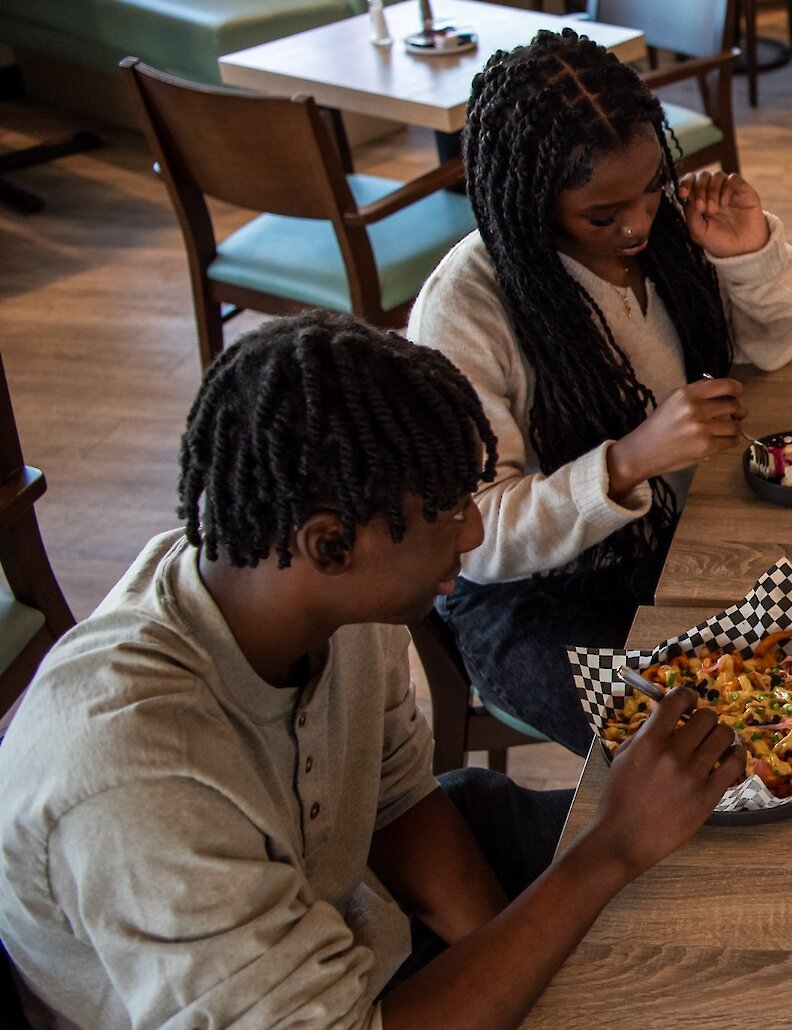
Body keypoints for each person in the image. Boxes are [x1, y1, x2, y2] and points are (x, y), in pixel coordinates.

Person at [0, 312, 744, 1029]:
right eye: (451, 511)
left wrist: (530, 968)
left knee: (716, 847)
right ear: (330, 546)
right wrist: (607, 852)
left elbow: (394, 799)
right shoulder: (140, 782)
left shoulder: (318, 597)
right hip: (305, 1001)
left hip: (350, 921)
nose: (477, 528)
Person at [408, 29, 792, 754]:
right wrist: (626, 462)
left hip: (675, 540)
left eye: (652, 188)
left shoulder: (664, 236)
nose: (638, 225)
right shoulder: (467, 307)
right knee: (713, 753)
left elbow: (769, 352)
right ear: (529, 200)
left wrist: (748, 256)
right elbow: (473, 538)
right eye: (602, 215)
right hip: (534, 598)